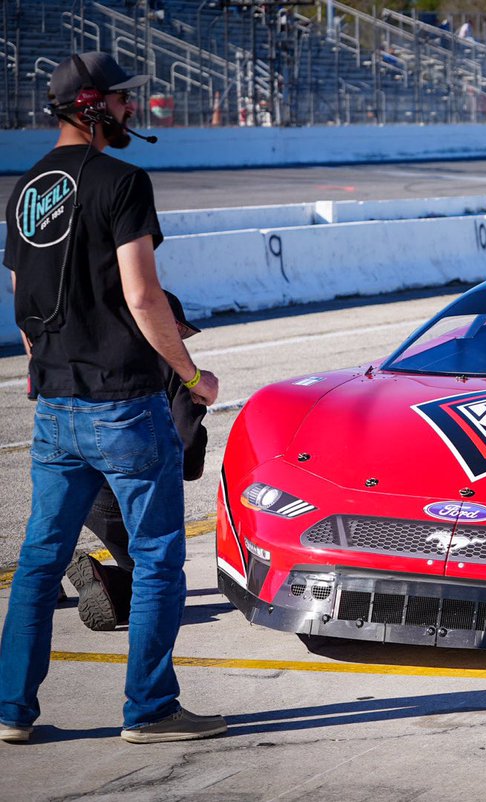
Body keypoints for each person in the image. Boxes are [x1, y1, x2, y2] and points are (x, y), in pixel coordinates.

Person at [0, 52, 225, 745]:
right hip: (124, 404)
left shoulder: (25, 188)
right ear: (93, 106)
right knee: (158, 559)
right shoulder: (122, 181)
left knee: (39, 562)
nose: (133, 109)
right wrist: (191, 376)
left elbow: (22, 301)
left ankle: (11, 710)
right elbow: (143, 295)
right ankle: (150, 710)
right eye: (124, 100)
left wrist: (51, 372)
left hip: (55, 404)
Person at [65, 291, 208, 632]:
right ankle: (107, 581)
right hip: (127, 494)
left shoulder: (92, 357)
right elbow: (187, 449)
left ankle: (50, 574)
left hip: (79, 491)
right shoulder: (173, 368)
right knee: (159, 584)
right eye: (179, 331)